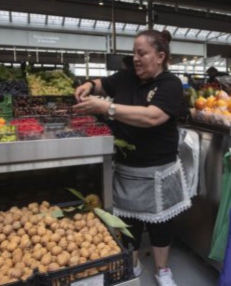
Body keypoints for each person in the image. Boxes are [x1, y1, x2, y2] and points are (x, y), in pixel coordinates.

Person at [73, 29, 191, 286]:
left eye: (142, 53)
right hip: (128, 166)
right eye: (134, 53)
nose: (136, 59)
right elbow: (105, 83)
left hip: (160, 168)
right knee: (128, 223)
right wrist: (90, 84)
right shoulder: (127, 77)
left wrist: (107, 108)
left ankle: (162, 269)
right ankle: (133, 266)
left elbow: (153, 116)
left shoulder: (170, 84)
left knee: (161, 224)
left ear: (160, 56)